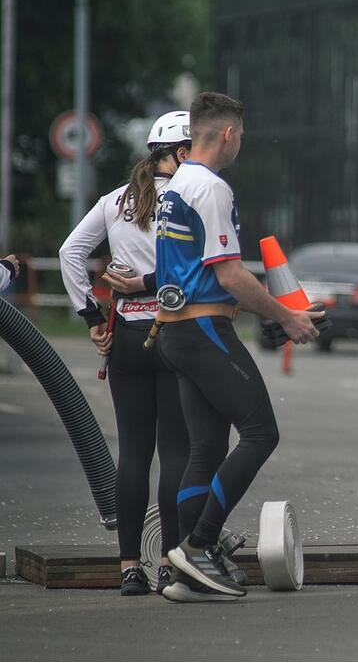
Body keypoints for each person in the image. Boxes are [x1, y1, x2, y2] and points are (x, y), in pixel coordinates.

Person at [153, 92, 323, 603]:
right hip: (203, 329)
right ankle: (198, 545)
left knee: (206, 449)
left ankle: (187, 575)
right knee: (261, 432)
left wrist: (268, 313)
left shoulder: (177, 183)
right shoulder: (211, 188)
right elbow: (228, 275)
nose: (241, 143)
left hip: (175, 331)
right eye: (242, 136)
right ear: (228, 134)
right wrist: (286, 316)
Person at [58, 111, 193, 596]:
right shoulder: (191, 196)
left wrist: (91, 317)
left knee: (134, 452)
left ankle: (130, 568)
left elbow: (69, 252)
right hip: (177, 331)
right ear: (181, 152)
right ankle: (172, 565)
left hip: (128, 336)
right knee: (177, 453)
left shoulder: (116, 200)